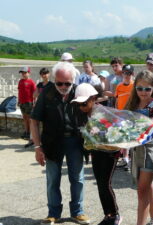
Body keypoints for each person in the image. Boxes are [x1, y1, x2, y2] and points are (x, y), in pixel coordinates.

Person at [30, 62, 90, 225]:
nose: (63, 87)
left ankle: (77, 212)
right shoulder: (47, 92)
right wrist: (37, 147)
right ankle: (53, 213)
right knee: (53, 178)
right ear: (54, 79)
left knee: (77, 178)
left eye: (67, 83)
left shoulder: (79, 92)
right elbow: (34, 120)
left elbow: (92, 113)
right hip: (52, 141)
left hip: (75, 140)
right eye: (59, 83)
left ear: (73, 80)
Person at [71, 83, 122, 225]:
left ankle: (115, 215)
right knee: (100, 184)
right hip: (97, 153)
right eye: (79, 104)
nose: (81, 107)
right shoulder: (84, 114)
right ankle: (108, 215)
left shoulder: (103, 112)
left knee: (105, 184)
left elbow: (116, 131)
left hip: (109, 153)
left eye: (84, 103)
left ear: (93, 99)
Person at [125, 70, 153, 225]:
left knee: (142, 191)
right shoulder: (133, 104)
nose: (143, 92)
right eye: (140, 88)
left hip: (150, 151)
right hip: (137, 150)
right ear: (135, 87)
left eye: (147, 89)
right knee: (148, 188)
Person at [18, 66, 36, 140]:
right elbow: (19, 91)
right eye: (22, 73)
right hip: (22, 102)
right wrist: (18, 100)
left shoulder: (31, 82)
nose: (23, 74)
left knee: (29, 119)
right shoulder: (20, 81)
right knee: (24, 118)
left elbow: (35, 93)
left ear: (29, 73)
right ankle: (26, 132)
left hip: (29, 102)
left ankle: (31, 134)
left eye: (25, 73)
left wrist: (34, 102)